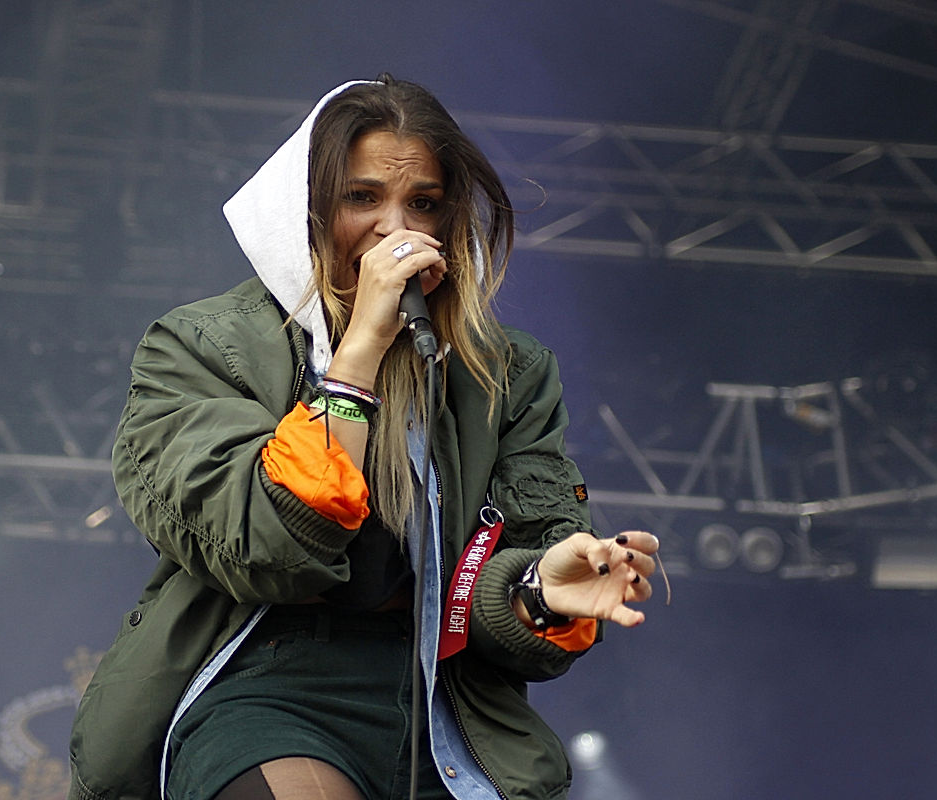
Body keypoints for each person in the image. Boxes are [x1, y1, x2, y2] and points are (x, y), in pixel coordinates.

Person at [68, 75, 658, 800]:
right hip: (265, 682)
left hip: (445, 703)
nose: (394, 226)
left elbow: (493, 576)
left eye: (423, 203)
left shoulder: (506, 373)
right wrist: (355, 365)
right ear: (307, 210)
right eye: (362, 197)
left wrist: (540, 592)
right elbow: (266, 547)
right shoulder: (201, 347)